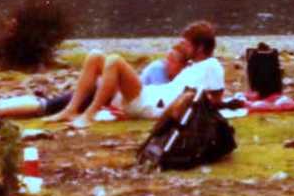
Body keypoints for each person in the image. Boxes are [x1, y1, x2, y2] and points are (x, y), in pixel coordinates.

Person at [49, 22, 223, 129]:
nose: (182, 47)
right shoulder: (195, 66)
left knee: (115, 60)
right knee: (95, 56)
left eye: (186, 44)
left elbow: (215, 100)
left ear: (199, 48)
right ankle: (70, 110)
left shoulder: (212, 66)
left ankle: (89, 115)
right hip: (149, 95)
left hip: (149, 104)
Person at [0, 43, 184, 123]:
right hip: (114, 94)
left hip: (114, 94)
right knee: (49, 105)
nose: (167, 62)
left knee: (49, 104)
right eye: (168, 57)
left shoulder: (177, 79)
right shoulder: (158, 70)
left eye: (172, 60)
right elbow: (137, 92)